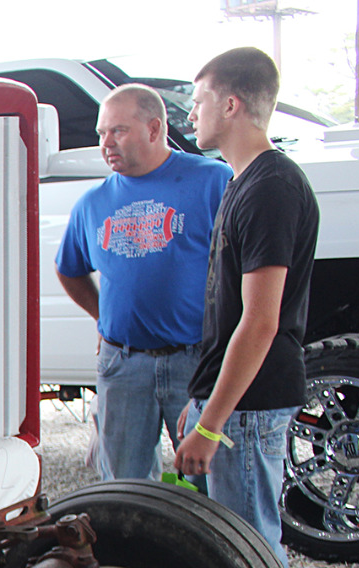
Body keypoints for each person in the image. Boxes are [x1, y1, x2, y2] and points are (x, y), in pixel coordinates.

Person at [174, 47, 319, 567]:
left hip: (251, 405)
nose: (191, 114)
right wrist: (204, 393)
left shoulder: (271, 187)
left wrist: (212, 424)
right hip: (233, 399)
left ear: (231, 104)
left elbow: (260, 322)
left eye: (199, 100)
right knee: (231, 547)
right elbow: (228, 311)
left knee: (250, 549)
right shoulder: (241, 182)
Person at [56, 84, 232, 482]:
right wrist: (104, 317)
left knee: (213, 479)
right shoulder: (92, 203)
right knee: (123, 484)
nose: (106, 143)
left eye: (118, 131)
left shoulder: (213, 182)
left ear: (154, 129)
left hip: (195, 359)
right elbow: (69, 268)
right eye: (102, 134)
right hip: (123, 363)